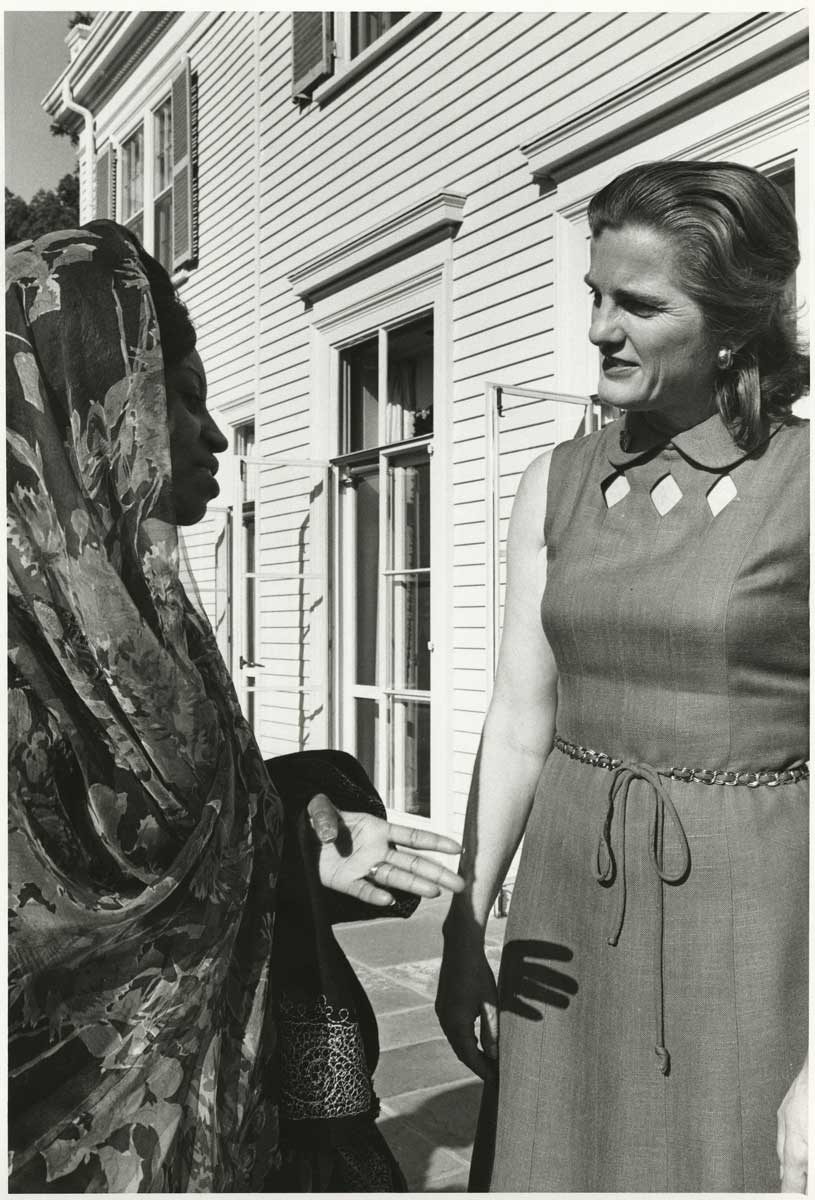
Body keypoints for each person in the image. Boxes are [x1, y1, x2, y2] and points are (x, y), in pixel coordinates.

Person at [7, 220, 464, 1192]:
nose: (213, 433)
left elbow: (176, 833)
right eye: (179, 396)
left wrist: (293, 833)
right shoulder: (23, 649)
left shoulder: (132, 624)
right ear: (91, 406)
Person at [436, 160, 808, 1193]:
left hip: (751, 915)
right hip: (564, 899)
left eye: (637, 305)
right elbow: (518, 717)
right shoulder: (555, 481)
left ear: (731, 325)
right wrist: (468, 916)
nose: (598, 328)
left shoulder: (804, 485)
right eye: (593, 296)